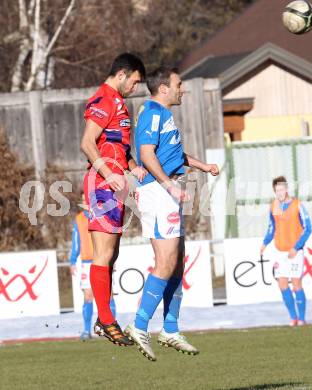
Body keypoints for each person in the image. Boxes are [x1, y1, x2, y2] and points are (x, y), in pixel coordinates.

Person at [124, 67, 220, 361]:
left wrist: (202, 166)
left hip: (168, 191)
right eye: (179, 84)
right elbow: (147, 154)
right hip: (158, 192)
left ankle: (170, 328)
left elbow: (173, 154)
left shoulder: (164, 115)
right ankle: (139, 325)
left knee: (176, 263)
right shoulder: (153, 112)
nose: (183, 89)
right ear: (163, 88)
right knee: (165, 262)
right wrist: (170, 187)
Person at [80, 53, 147, 346]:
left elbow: (119, 148)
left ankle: (104, 318)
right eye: (134, 82)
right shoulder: (104, 99)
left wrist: (133, 168)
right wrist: (109, 174)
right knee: (103, 255)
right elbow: (86, 143)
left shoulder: (118, 104)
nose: (135, 88)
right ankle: (106, 320)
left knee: (112, 255)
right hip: (102, 185)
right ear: (122, 74)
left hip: (116, 186)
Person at [260, 176, 312, 326]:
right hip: (279, 251)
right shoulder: (274, 206)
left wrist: (296, 247)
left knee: (296, 283)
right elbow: (272, 227)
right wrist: (265, 243)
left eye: (282, 189)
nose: (280, 193)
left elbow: (308, 228)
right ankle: (293, 317)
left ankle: (302, 319)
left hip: (295, 251)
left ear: (287, 189)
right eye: (277, 190)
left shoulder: (297, 205)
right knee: (282, 283)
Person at [69, 193, 117, 341]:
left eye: (87, 199)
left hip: (103, 260)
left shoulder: (103, 215)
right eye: (83, 199)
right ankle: (86, 330)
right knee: (88, 295)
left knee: (107, 295)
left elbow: (111, 239)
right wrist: (72, 260)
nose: (85, 202)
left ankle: (112, 329)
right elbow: (76, 241)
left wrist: (112, 258)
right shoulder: (79, 219)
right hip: (86, 262)